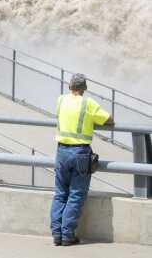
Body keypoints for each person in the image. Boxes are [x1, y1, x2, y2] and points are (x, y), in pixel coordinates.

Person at [51, 73, 113, 247]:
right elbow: (109, 120)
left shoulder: (61, 100)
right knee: (76, 195)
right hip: (80, 153)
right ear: (84, 88)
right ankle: (67, 235)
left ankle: (57, 234)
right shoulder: (88, 103)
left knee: (60, 194)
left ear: (70, 86)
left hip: (62, 151)